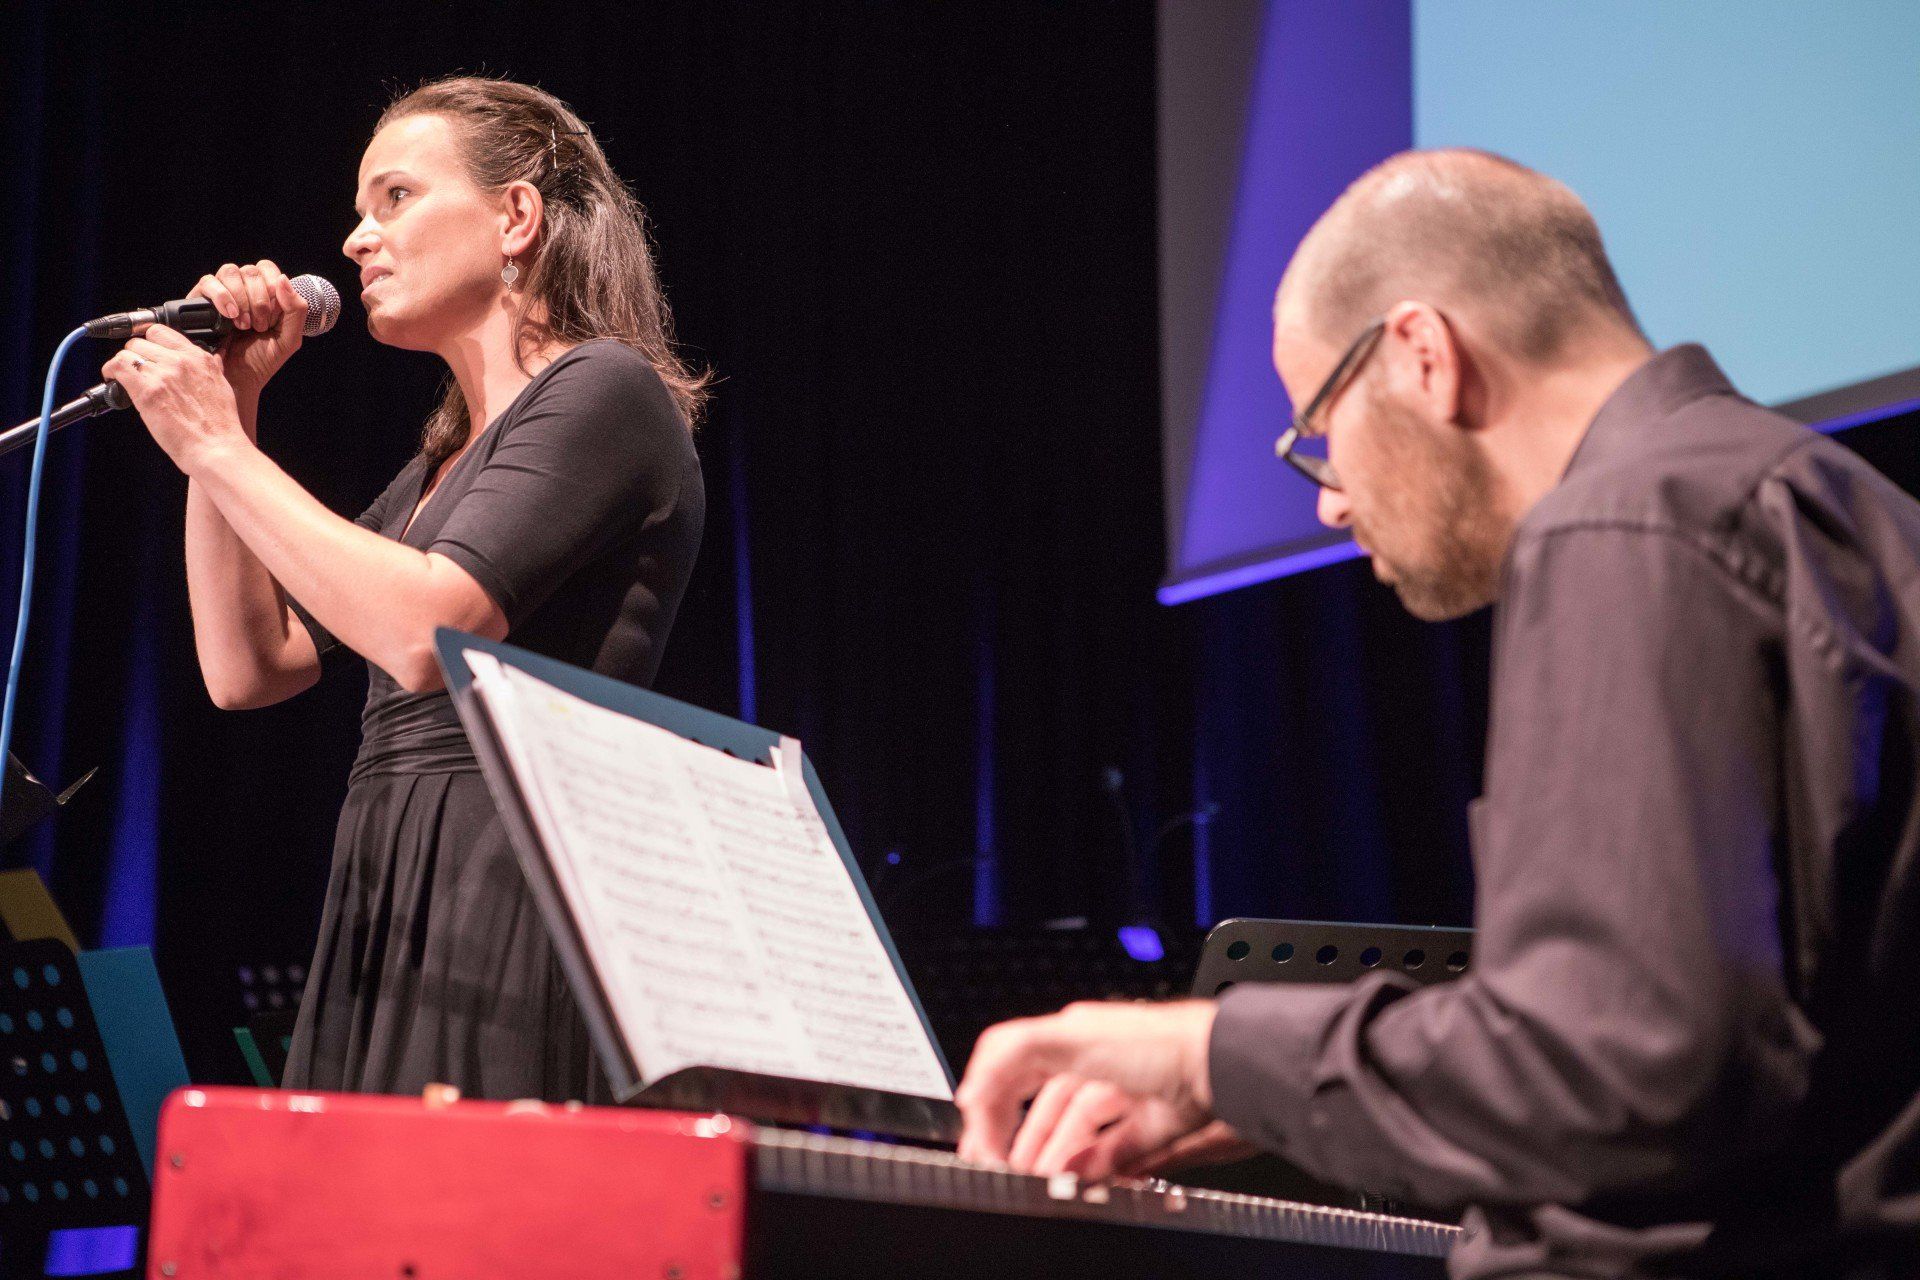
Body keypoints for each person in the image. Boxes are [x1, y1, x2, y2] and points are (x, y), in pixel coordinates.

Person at [954, 150, 1920, 1278]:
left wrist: (1201, 1047)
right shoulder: (1841, 508)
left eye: (1318, 426)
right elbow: (1729, 1062)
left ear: (1423, 352)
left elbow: (1616, 1066)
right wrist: (1284, 1104)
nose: (1327, 496)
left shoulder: (1624, 522)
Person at [101, 76, 707, 1101]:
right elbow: (247, 667)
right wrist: (234, 416)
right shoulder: (445, 462)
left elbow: (430, 632)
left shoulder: (606, 389)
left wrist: (209, 439)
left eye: (394, 198)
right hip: (393, 877)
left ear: (517, 216)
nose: (354, 238)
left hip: (510, 885)